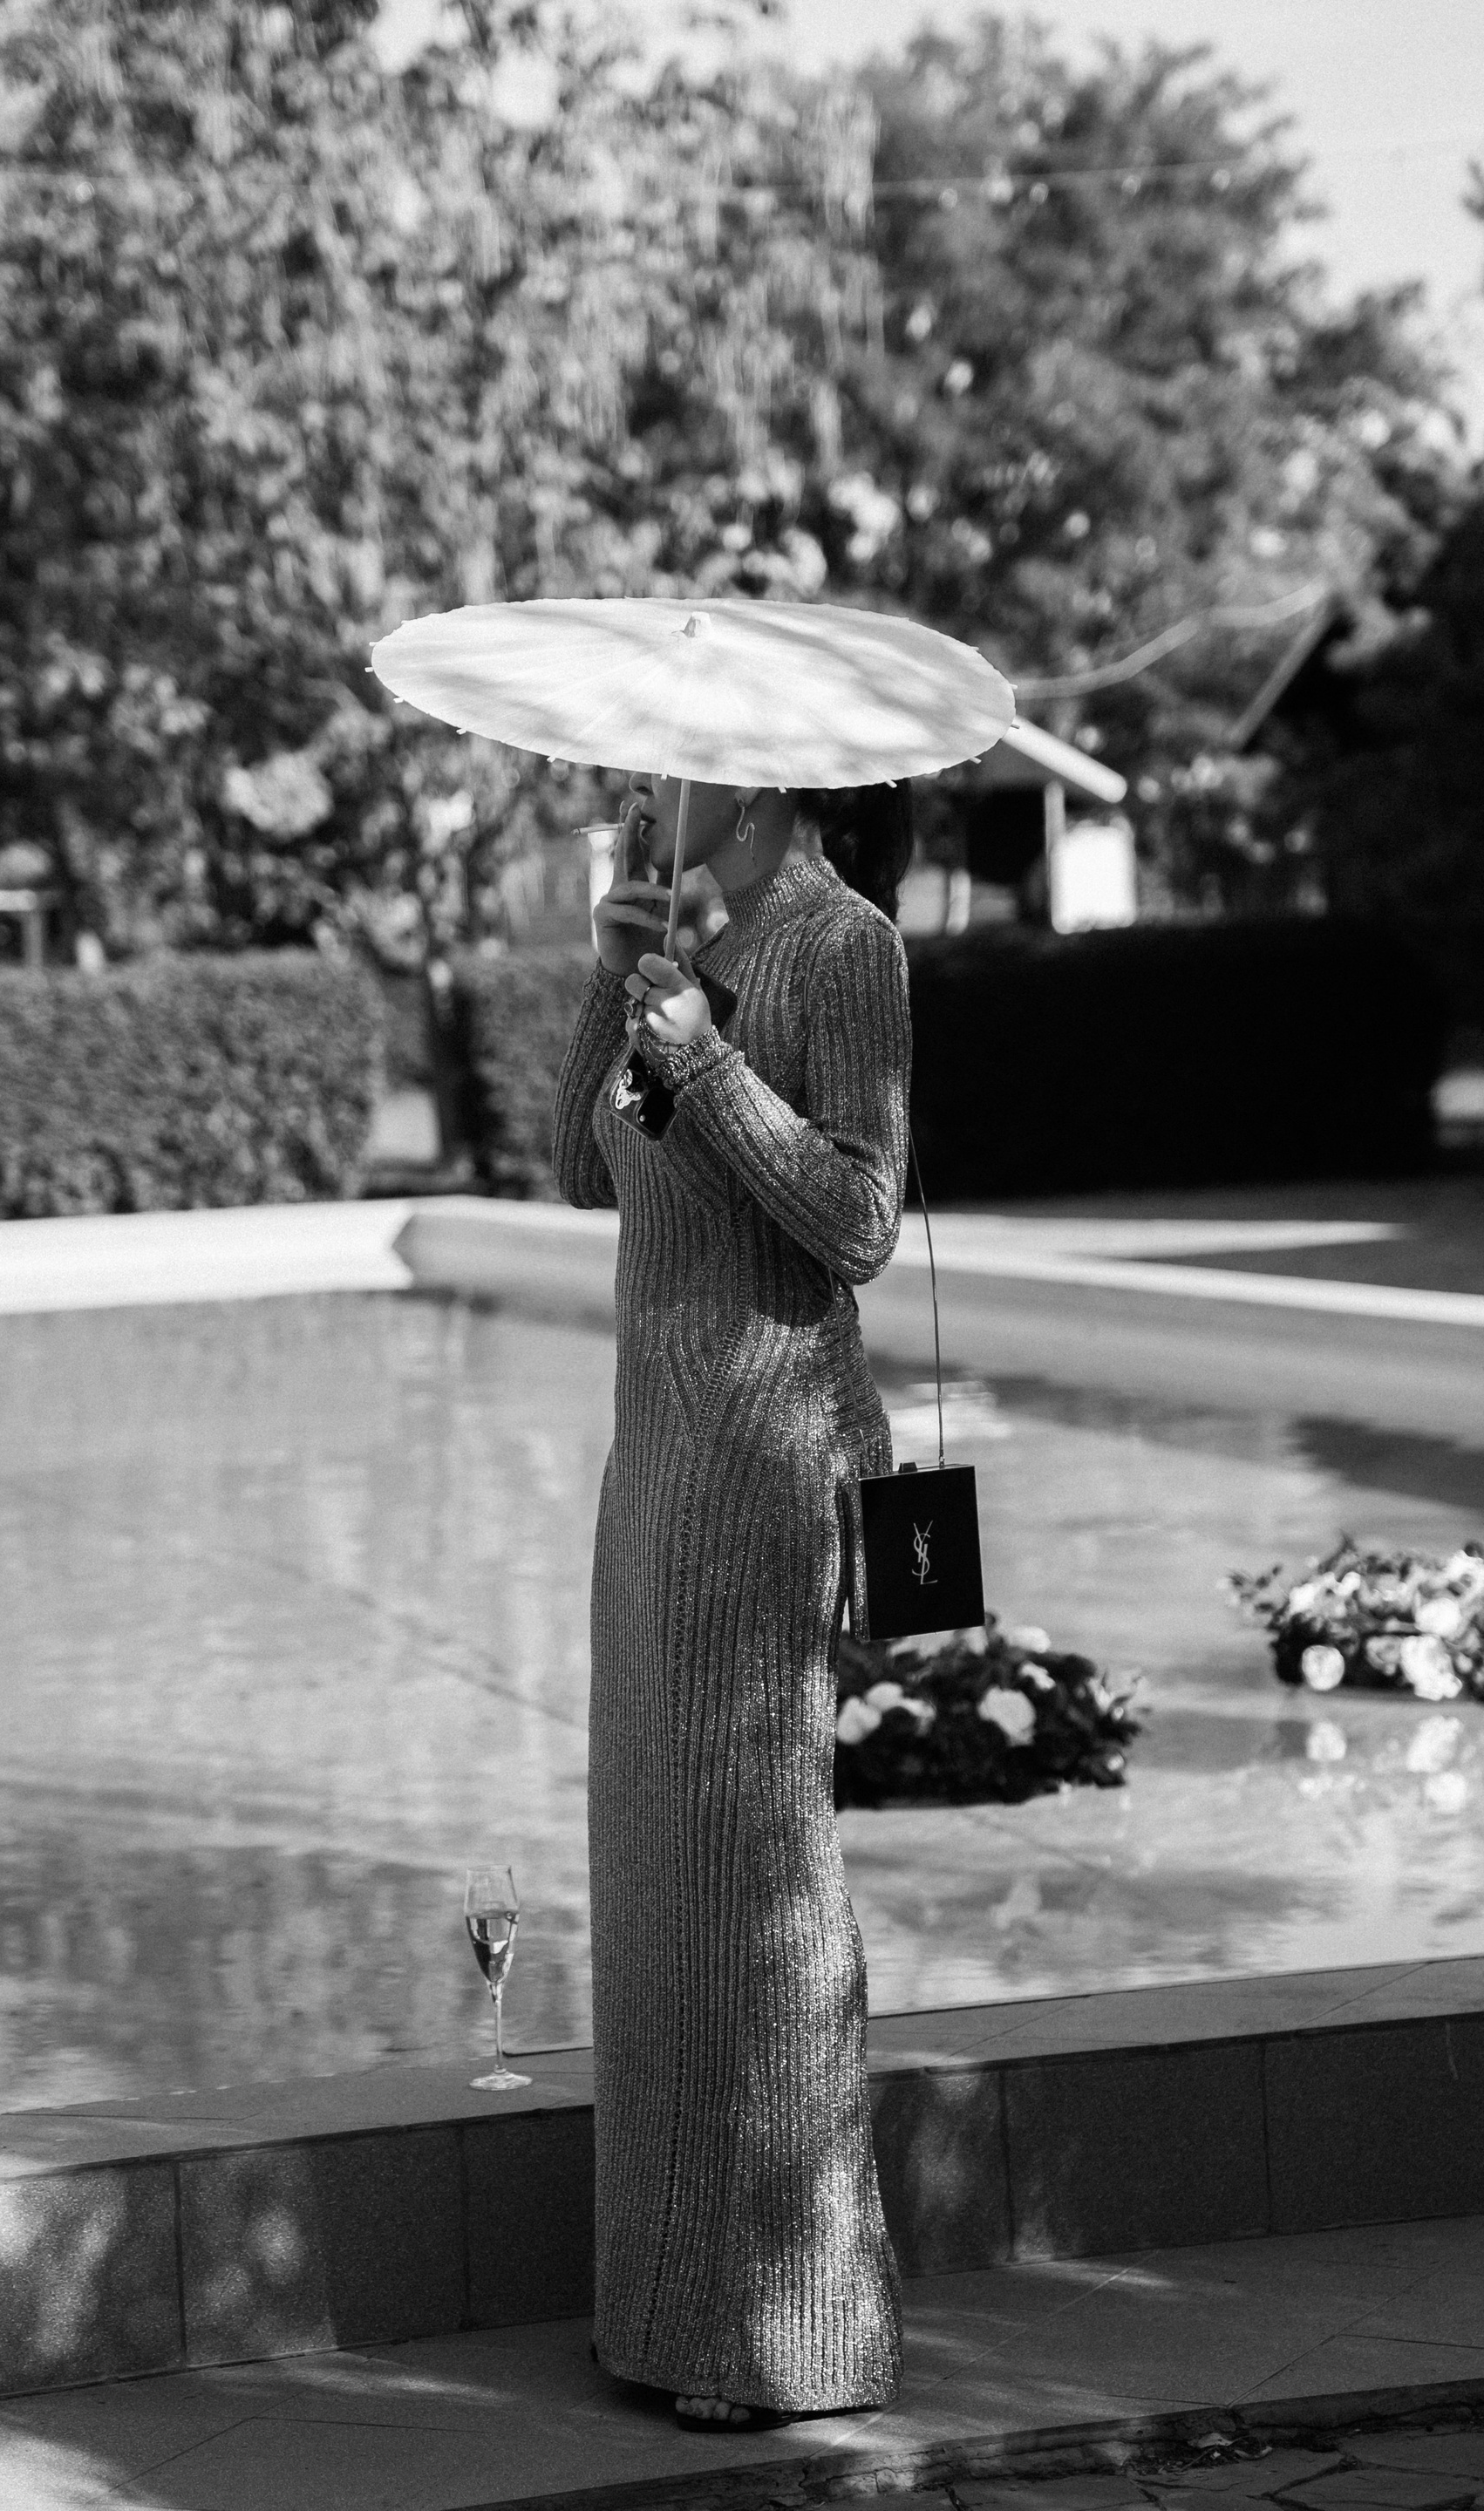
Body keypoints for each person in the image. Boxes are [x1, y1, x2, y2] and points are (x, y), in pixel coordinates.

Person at [551, 772, 913, 2432]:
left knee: (756, 1882)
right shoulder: (687, 944)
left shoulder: (844, 946)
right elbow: (582, 1176)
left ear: (756, 783)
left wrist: (705, 1056)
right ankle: (670, 2311)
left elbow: (860, 1216)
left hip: (766, 1461)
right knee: (662, 1883)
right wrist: (610, 982)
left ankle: (792, 2334)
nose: (638, 794)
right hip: (658, 1459)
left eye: (661, 769)